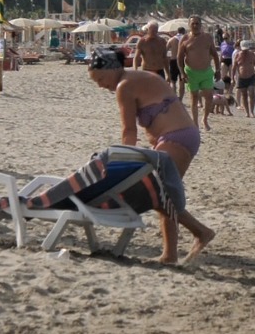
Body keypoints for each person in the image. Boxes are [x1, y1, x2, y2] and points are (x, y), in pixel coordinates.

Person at [86, 47, 214, 263]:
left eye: (100, 79)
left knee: (158, 193)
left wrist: (122, 161)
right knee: (162, 194)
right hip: (181, 136)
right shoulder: (137, 77)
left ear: (112, 69)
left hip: (176, 138)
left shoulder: (124, 86)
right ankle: (174, 251)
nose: (100, 85)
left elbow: (129, 130)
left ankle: (198, 234)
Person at [177, 16, 222, 131]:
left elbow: (215, 54)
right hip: (191, 72)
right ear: (189, 25)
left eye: (197, 23)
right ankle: (195, 124)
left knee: (209, 97)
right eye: (193, 23)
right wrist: (182, 73)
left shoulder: (207, 37)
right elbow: (179, 58)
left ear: (201, 25)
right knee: (194, 97)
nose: (195, 25)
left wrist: (218, 70)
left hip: (206, 71)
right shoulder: (185, 39)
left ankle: (205, 119)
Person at [231, 38, 255, 117]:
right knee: (244, 95)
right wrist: (232, 78)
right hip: (241, 78)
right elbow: (234, 68)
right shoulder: (237, 55)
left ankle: (252, 111)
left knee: (252, 93)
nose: (245, 51)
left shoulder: (251, 54)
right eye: (243, 49)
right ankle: (247, 112)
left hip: (251, 76)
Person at [165, 29, 184, 94]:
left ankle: (175, 97)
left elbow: (165, 50)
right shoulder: (185, 39)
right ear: (183, 31)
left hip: (173, 60)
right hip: (182, 61)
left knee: (173, 82)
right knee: (182, 81)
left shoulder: (171, 39)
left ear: (177, 32)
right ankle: (180, 99)